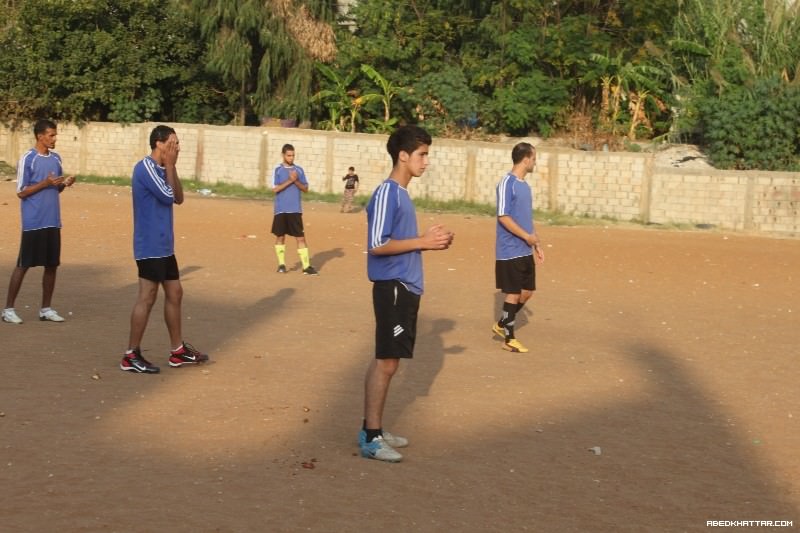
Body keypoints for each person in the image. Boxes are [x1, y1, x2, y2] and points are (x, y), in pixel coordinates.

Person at [359, 125, 454, 462]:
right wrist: (423, 241)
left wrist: (426, 242)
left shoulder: (401, 194)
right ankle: (371, 438)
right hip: (393, 289)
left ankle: (374, 428)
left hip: (404, 287)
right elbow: (377, 245)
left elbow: (397, 242)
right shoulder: (387, 193)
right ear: (403, 155)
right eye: (422, 154)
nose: (426, 161)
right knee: (386, 362)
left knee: (387, 360)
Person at [120, 125, 208, 374]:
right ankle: (131, 354)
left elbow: (179, 197)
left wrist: (172, 166)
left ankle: (177, 351)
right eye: (173, 143)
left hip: (164, 245)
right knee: (147, 297)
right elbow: (168, 196)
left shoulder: (164, 169)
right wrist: (170, 165)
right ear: (159, 144)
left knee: (175, 293)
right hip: (149, 245)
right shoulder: (145, 168)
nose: (177, 147)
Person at [3, 119, 75, 325]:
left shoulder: (56, 159)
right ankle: (8, 309)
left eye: (55, 134)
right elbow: (21, 192)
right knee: (23, 265)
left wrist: (64, 184)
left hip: (53, 221)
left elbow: (56, 187)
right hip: (34, 221)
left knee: (51, 265)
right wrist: (44, 183)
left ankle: (46, 309)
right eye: (51, 135)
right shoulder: (28, 159)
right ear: (40, 136)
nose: (54, 138)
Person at [491, 142, 545, 353]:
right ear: (525, 159)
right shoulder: (507, 184)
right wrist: (526, 237)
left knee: (527, 292)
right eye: (534, 158)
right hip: (509, 250)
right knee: (512, 294)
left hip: (525, 249)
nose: (535, 162)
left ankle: (502, 324)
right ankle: (509, 339)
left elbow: (526, 219)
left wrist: (536, 243)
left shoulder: (525, 186)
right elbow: (503, 216)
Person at [271, 144, 318, 275]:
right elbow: (275, 189)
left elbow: (305, 189)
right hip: (281, 210)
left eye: (293, 155)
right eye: (289, 155)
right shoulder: (277, 170)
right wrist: (290, 181)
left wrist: (296, 181)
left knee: (300, 238)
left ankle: (306, 266)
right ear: (283, 155)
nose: (291, 158)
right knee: (280, 237)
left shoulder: (299, 170)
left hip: (295, 210)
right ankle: (281, 265)